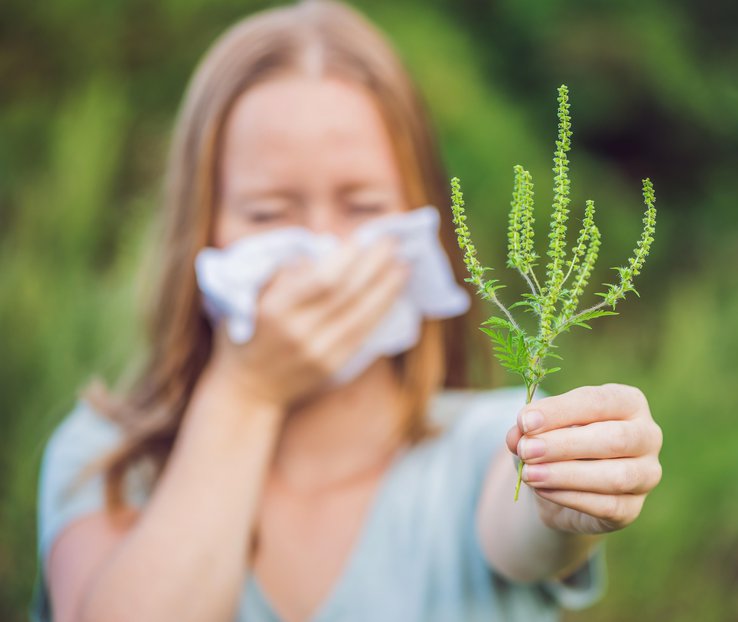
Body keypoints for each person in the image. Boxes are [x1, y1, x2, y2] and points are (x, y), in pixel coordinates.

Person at [30, 1, 663, 621]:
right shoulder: (104, 461)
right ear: (201, 228)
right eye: (269, 214)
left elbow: (526, 519)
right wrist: (246, 390)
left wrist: (568, 494)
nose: (326, 252)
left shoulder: (485, 445)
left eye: (362, 206)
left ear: (423, 216)